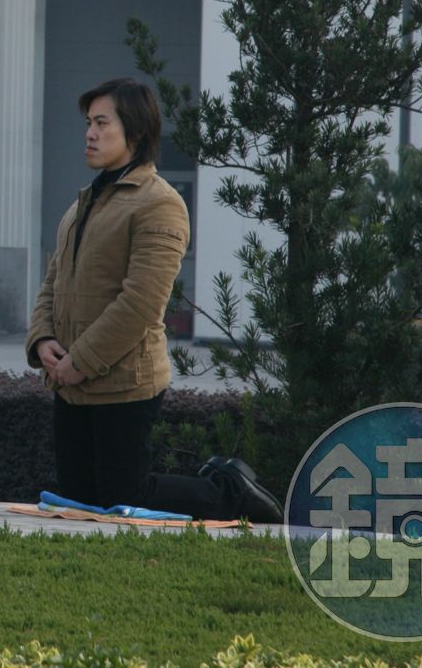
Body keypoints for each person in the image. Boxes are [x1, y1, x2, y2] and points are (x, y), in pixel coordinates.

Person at [26, 77, 282, 523]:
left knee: (127, 494)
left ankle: (231, 491)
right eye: (88, 123)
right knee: (80, 499)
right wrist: (42, 339)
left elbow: (142, 302)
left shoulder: (159, 204)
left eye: (102, 123)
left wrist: (81, 360)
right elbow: (53, 282)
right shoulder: (82, 205)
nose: (90, 134)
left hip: (124, 379)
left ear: (136, 131)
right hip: (70, 381)